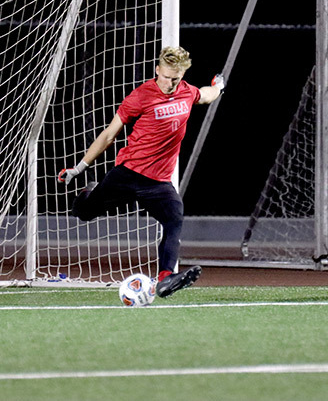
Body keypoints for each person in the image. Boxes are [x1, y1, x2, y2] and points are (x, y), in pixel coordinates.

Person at [58, 46, 224, 298]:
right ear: (157, 70)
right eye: (166, 76)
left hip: (157, 183)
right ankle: (86, 194)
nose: (170, 83)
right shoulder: (140, 96)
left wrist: (218, 86)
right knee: (85, 212)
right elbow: (108, 135)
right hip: (127, 174)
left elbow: (206, 94)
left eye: (176, 78)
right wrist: (79, 167)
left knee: (174, 217)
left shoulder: (186, 92)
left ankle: (166, 279)